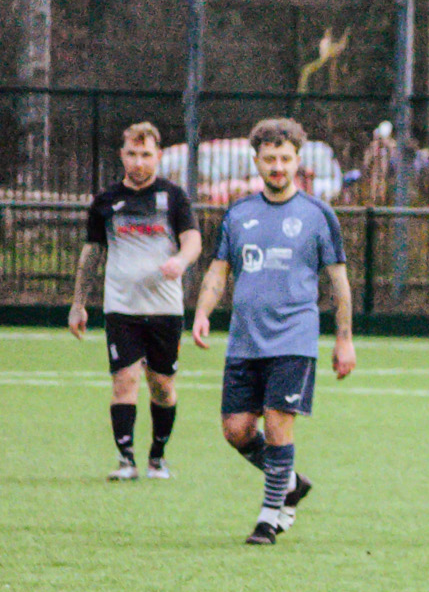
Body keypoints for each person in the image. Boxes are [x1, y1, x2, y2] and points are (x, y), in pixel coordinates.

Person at [190, 118, 354, 546]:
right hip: (245, 340)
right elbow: (219, 269)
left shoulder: (318, 216)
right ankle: (290, 483)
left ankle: (270, 516)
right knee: (237, 430)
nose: (277, 166)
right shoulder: (240, 214)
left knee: (280, 427)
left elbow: (339, 281)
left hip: (294, 339)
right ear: (257, 161)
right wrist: (203, 311)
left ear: (298, 160)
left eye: (285, 158)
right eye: (269, 159)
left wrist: (344, 338)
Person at [69, 121, 200, 479]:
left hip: (165, 310)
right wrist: (79, 303)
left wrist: (181, 261)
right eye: (132, 154)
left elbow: (193, 241)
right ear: (122, 155)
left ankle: (157, 455)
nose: (139, 162)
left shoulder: (174, 197)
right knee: (124, 381)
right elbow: (91, 255)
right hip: (121, 308)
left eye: (146, 154)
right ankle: (126, 459)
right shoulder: (106, 202)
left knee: (162, 385)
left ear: (158, 155)